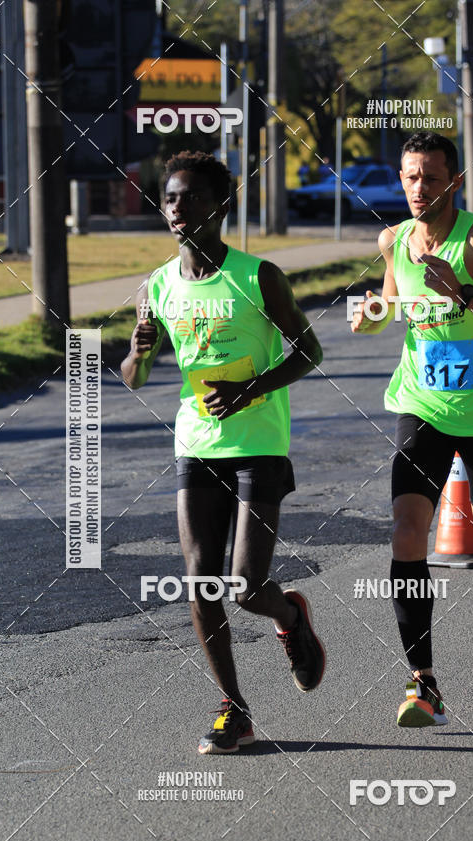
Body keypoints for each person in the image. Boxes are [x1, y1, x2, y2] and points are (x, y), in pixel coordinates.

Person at [121, 150, 325, 753]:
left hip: (259, 444)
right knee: (200, 584)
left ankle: (289, 616)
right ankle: (233, 710)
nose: (177, 208)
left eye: (189, 197)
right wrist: (138, 348)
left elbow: (310, 351)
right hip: (195, 444)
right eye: (170, 198)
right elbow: (133, 377)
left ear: (220, 206)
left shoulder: (258, 276)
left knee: (244, 586)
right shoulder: (156, 286)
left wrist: (251, 389)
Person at [351, 132, 473, 727]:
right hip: (423, 406)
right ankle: (423, 681)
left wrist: (462, 292)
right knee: (407, 531)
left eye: (431, 178)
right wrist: (370, 318)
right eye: (410, 177)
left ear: (454, 183)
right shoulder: (393, 241)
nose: (418, 189)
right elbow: (392, 306)